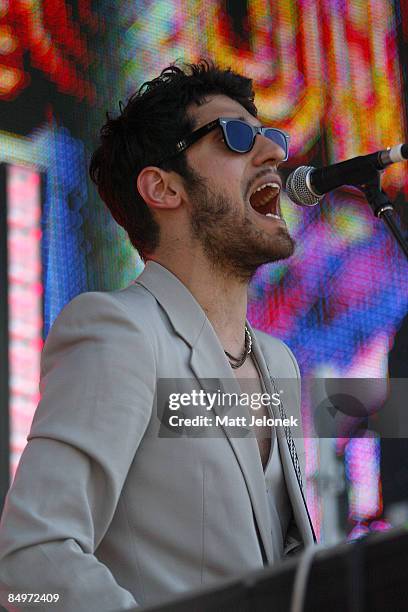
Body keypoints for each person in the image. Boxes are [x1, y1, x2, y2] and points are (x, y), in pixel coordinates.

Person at [0, 60, 316, 611]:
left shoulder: (278, 363)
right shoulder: (121, 334)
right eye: (237, 137)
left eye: (270, 135)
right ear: (163, 188)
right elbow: (28, 566)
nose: (273, 153)